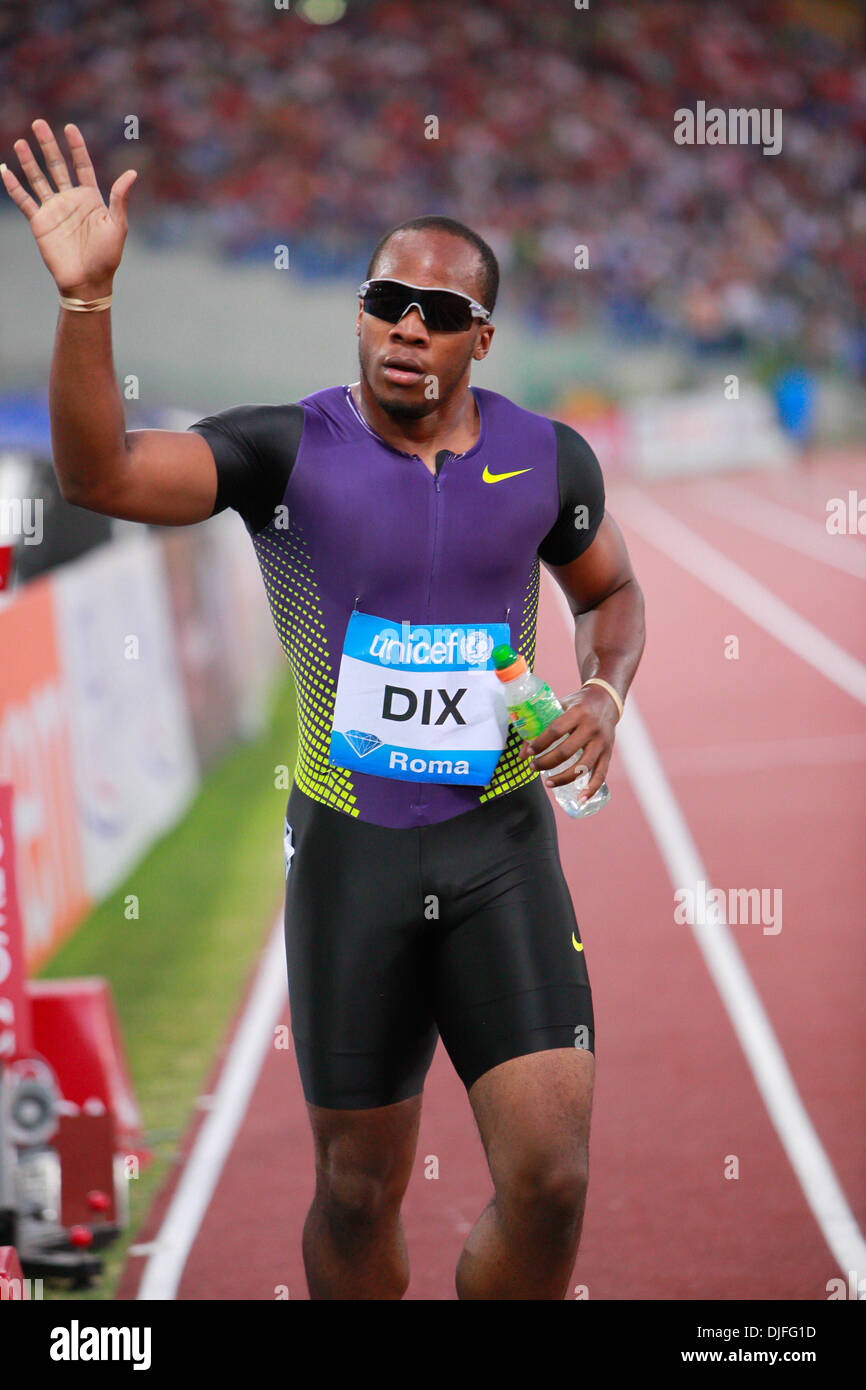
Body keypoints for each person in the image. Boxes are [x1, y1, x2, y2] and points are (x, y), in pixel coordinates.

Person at [2, 120, 646, 1300]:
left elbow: (609, 592)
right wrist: (87, 305)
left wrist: (603, 687)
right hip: (349, 854)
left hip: (500, 840)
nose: (408, 325)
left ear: (481, 339)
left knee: (550, 1177)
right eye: (386, 299)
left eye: (438, 311)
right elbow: (100, 475)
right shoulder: (284, 453)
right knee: (356, 1191)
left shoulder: (547, 461)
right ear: (357, 312)